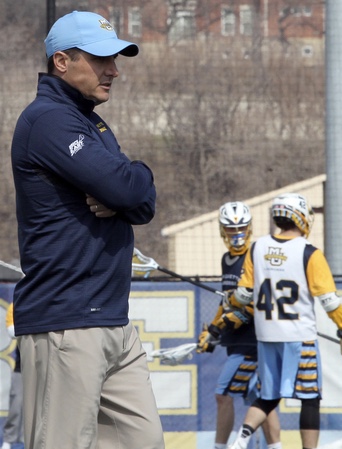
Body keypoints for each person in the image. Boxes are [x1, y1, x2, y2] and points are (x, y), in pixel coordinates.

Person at [10, 11, 163, 449]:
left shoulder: (89, 121)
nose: (113, 69)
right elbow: (123, 188)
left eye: (114, 59)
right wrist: (124, 188)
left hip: (112, 319)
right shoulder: (48, 120)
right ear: (61, 61)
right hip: (67, 320)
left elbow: (140, 201)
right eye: (100, 59)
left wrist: (131, 184)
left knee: (145, 441)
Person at [227, 193, 342, 449]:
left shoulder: (257, 247)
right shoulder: (309, 252)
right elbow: (329, 301)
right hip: (299, 336)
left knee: (269, 395)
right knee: (310, 398)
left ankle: (242, 437)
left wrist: (231, 302)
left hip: (266, 336)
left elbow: (243, 295)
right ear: (300, 217)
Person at [197, 201, 282, 449]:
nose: (237, 234)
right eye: (231, 229)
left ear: (250, 227)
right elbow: (227, 301)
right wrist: (213, 330)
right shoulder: (226, 260)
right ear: (223, 230)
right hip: (236, 338)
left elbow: (266, 297)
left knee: (222, 394)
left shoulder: (255, 254)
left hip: (254, 338)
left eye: (241, 228)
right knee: (260, 397)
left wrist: (243, 314)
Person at [2, 303, 23, 449]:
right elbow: (12, 331)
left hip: (47, 363)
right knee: (17, 403)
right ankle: (8, 441)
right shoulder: (17, 302)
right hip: (22, 366)